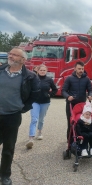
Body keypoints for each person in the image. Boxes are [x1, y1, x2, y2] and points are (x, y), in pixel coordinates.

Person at [0, 47, 40, 185]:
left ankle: (5, 176)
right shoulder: (0, 70)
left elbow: (35, 94)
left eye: (14, 55)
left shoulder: (30, 76)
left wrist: (23, 108)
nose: (10, 56)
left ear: (23, 60)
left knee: (8, 148)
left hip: (12, 116)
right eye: (10, 53)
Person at [26, 65, 58, 149]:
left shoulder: (49, 80)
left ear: (46, 71)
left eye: (44, 70)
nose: (42, 71)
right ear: (38, 70)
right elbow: (28, 88)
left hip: (45, 102)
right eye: (41, 70)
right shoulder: (34, 79)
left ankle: (39, 132)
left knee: (41, 119)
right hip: (35, 102)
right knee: (34, 119)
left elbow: (55, 89)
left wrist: (50, 95)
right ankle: (31, 138)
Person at [62, 61, 92, 140]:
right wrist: (68, 96)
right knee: (71, 123)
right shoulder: (69, 78)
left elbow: (90, 90)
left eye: (82, 69)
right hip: (71, 104)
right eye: (79, 69)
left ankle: (80, 138)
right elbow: (63, 91)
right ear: (75, 68)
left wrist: (90, 95)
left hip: (81, 105)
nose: (81, 70)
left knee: (82, 122)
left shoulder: (86, 79)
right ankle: (70, 141)